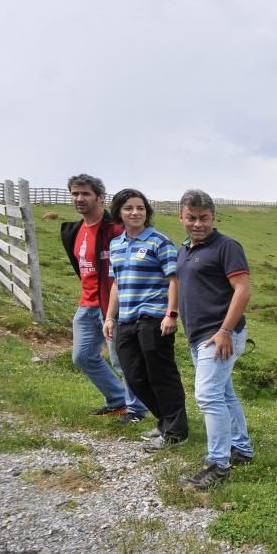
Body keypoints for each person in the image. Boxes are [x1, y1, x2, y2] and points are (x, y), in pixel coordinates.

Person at [176, 189, 254, 490]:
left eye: (204, 218)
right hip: (198, 336)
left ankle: (218, 465)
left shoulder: (227, 247)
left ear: (213, 218)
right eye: (192, 218)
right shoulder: (185, 250)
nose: (198, 223)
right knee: (223, 393)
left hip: (219, 334)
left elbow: (242, 290)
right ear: (181, 217)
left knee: (208, 396)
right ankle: (242, 449)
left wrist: (224, 331)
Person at [102, 189, 189, 450]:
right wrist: (109, 317)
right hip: (126, 319)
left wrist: (171, 314)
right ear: (119, 212)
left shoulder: (159, 241)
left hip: (154, 317)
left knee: (161, 375)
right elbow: (117, 282)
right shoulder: (115, 245)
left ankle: (176, 433)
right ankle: (165, 422)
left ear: (146, 211)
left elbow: (174, 279)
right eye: (129, 208)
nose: (135, 212)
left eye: (140, 208)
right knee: (134, 375)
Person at [60, 174, 148, 424]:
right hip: (87, 303)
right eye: (75, 194)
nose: (79, 198)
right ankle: (118, 399)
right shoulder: (74, 230)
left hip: (114, 305)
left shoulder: (115, 230)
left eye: (85, 193)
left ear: (100, 197)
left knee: (122, 361)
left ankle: (136, 411)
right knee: (82, 356)